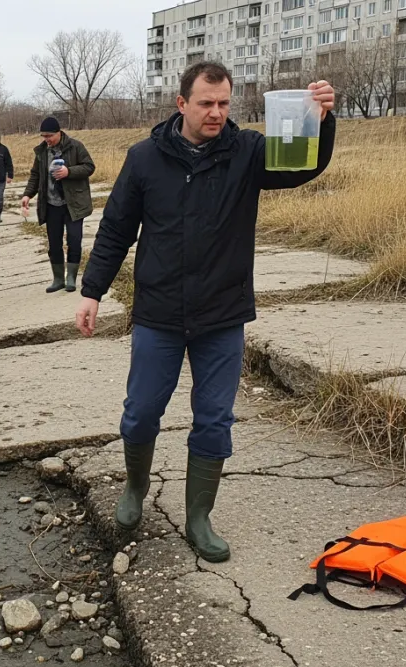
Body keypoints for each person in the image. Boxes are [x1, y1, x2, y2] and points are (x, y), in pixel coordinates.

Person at [75, 62, 336, 564]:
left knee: (214, 420)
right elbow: (116, 229)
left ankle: (198, 518)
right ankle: (134, 490)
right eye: (206, 103)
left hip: (222, 313)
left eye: (224, 103)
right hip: (159, 314)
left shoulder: (249, 153)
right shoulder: (145, 158)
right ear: (181, 104)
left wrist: (322, 119)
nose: (216, 113)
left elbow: (302, 167)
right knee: (141, 412)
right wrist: (92, 290)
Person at [20, 117, 94, 293]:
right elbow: (35, 175)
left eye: (50, 136)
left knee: (74, 241)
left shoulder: (76, 146)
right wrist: (27, 194)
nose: (47, 139)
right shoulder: (42, 152)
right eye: (44, 136)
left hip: (73, 204)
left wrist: (69, 172)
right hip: (51, 204)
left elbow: (89, 167)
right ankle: (58, 278)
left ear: (59, 132)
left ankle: (71, 278)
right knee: (54, 243)